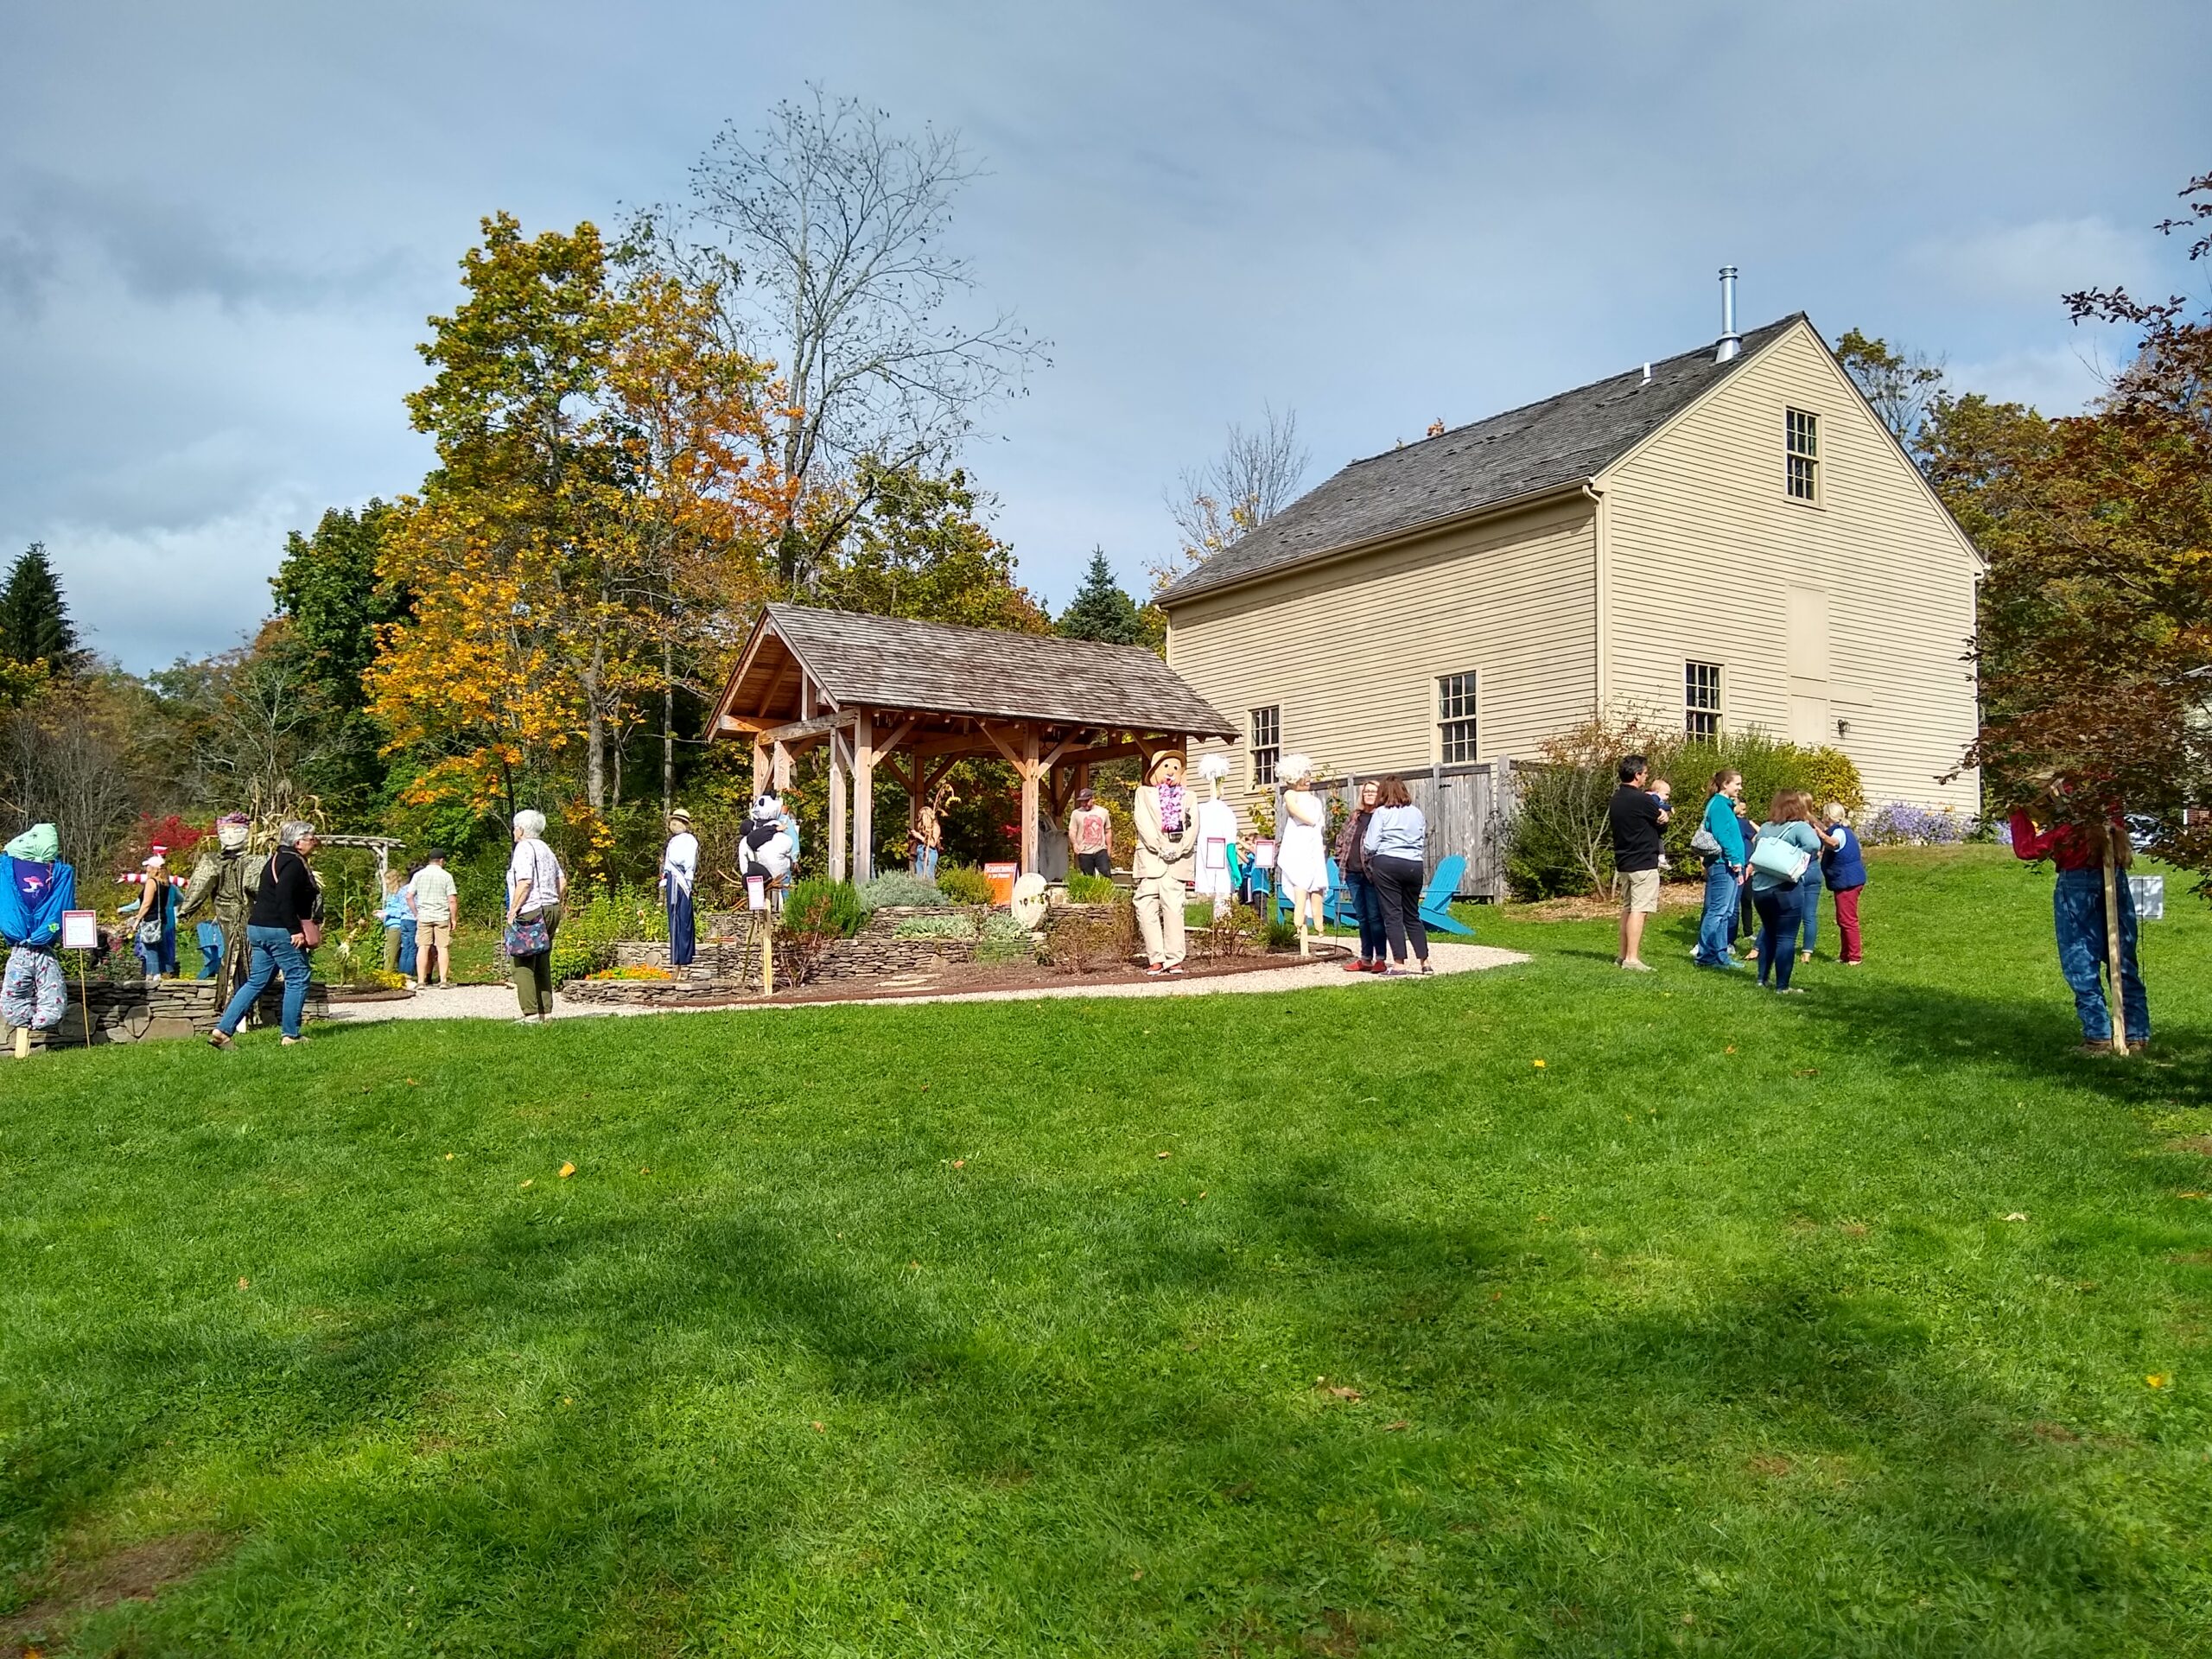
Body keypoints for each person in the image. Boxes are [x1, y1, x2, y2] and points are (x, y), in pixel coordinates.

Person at [2011, 795, 2149, 1055]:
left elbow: (2026, 849)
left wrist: (2016, 812)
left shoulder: (2065, 800)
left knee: (2080, 959)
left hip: (2078, 880)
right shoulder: (2105, 786)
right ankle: (2135, 1036)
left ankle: (2099, 1038)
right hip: (2114, 875)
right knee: (2122, 959)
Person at [208, 821, 320, 1047]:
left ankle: (223, 1030)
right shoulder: (293, 864)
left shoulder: (275, 860)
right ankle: (291, 1035)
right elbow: (284, 897)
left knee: (257, 981)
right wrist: (295, 930)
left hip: (258, 928)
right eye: (312, 839)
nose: (315, 843)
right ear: (298, 843)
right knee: (298, 977)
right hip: (280, 930)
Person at [1132, 747, 1198, 975]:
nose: (1170, 771)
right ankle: (1156, 957)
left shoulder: (1189, 797)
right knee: (1144, 906)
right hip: (1151, 861)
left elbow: (1193, 827)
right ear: (1155, 772)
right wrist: (1159, 847)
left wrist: (1180, 849)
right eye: (1166, 766)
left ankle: (1174, 959)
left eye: (1176, 768)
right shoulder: (1144, 794)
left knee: (1173, 909)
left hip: (1176, 863)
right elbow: (1142, 822)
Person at [1748, 793, 1823, 993]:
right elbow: (1814, 845)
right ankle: (1782, 986)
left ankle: (1761, 979)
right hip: (1786, 888)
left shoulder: (1766, 827)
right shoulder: (1800, 827)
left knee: (1769, 934)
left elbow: (1758, 847)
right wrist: (1797, 856)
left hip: (1761, 889)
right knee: (1786, 937)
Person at [178, 813, 253, 1004]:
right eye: (223, 831)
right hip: (228, 915)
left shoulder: (255, 859)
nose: (230, 835)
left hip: (254, 915)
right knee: (233, 955)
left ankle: (247, 1007)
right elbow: (199, 885)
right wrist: (186, 909)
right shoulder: (212, 860)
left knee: (250, 955)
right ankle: (233, 1005)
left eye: (237, 830)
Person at [1361, 775, 1431, 974]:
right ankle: (1425, 962)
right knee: (1412, 914)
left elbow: (1371, 844)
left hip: (1388, 863)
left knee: (1392, 914)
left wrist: (1369, 852)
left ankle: (1399, 964)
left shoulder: (1382, 813)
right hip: (1414, 864)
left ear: (1384, 792)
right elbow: (1421, 837)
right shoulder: (1416, 812)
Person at [1608, 753, 1669, 971]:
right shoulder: (1642, 799)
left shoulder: (1616, 799)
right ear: (1637, 775)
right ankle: (1632, 959)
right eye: (1645, 773)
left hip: (1624, 861)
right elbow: (1661, 824)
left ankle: (1622, 955)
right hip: (1643, 862)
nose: (1646, 777)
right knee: (1639, 909)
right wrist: (1664, 815)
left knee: (1627, 908)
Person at [505, 810, 567, 1024]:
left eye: (515, 827)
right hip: (552, 907)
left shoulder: (523, 847)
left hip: (531, 909)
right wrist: (552, 900)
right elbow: (562, 882)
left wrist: (513, 910)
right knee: (542, 959)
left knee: (521, 959)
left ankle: (530, 1014)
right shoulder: (546, 849)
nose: (514, 831)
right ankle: (545, 1012)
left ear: (521, 829)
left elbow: (525, 882)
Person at [1692, 769, 1748, 969]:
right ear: (1726, 784)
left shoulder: (1726, 805)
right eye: (1737, 784)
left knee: (1726, 912)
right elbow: (1723, 835)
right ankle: (1706, 956)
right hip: (1721, 864)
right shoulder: (1718, 805)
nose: (1740, 788)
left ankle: (1721, 955)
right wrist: (1734, 859)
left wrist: (1738, 867)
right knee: (1717, 911)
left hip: (1730, 866)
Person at [1275, 755, 1328, 953]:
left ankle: (1319, 922)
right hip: (1298, 841)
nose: (1307, 779)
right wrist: (1311, 820)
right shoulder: (1290, 794)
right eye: (1303, 775)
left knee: (1317, 884)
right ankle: (1299, 921)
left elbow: (1320, 820)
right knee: (1301, 880)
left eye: (1308, 774)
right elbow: (1295, 810)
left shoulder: (1315, 800)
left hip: (1313, 842)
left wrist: (1316, 825)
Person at [1336, 779, 1385, 973]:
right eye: (1366, 792)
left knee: (1375, 917)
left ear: (1380, 794)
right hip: (1352, 874)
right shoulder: (1355, 816)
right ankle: (1365, 958)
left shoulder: (1382, 815)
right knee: (1362, 917)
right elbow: (1341, 839)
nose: (1369, 794)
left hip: (1372, 875)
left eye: (1373, 791)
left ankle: (1380, 958)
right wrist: (1340, 859)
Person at [1820, 803, 1867, 965]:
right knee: (1843, 919)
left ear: (1828, 816)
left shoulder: (1839, 832)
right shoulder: (1841, 830)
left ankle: (1855, 956)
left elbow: (1834, 843)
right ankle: (1845, 954)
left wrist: (1820, 835)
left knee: (1848, 919)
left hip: (1848, 881)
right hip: (1845, 880)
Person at [122, 849, 181, 978]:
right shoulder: (166, 883)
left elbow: (146, 903)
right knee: (161, 945)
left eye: (148, 866)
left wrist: (137, 920)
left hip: (151, 919)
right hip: (162, 918)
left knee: (150, 946)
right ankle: (167, 970)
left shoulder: (151, 882)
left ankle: (154, 974)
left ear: (155, 869)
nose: (146, 869)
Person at [410, 848, 459, 988]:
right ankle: (443, 980)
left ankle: (420, 980)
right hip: (441, 915)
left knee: (423, 947)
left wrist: (416, 913)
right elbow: (452, 900)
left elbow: (409, 896)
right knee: (442, 947)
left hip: (424, 916)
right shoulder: (446, 876)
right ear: (442, 861)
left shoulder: (418, 875)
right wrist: (453, 918)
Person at [660, 810, 699, 969]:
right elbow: (668, 862)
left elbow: (687, 860)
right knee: (674, 919)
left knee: (683, 918)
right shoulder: (672, 841)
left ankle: (684, 957)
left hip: (682, 880)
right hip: (672, 879)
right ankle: (676, 958)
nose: (674, 824)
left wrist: (687, 876)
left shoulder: (689, 840)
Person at [1068, 787, 1113, 878]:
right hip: (1084, 851)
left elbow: (1108, 831)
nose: (1084, 804)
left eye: (1086, 801)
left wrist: (1109, 848)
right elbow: (1072, 831)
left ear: (1093, 799)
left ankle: (1107, 891)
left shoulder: (1103, 812)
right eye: (1082, 802)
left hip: (1100, 849)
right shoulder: (1076, 813)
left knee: (1105, 873)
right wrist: (1074, 843)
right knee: (1088, 877)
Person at [378, 868, 412, 979]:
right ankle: (396, 974)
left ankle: (386, 975)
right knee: (395, 951)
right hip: (390, 924)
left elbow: (401, 910)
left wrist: (387, 913)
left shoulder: (400, 893)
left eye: (387, 879)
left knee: (391, 951)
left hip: (396, 925)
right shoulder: (391, 893)